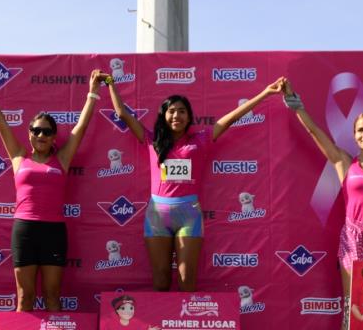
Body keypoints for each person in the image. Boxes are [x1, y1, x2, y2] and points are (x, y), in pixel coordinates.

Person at [106, 75, 285, 291]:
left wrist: (266, 93)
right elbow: (122, 114)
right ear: (163, 115)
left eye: (182, 111)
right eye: (171, 111)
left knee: (186, 280)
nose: (176, 115)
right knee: (161, 280)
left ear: (189, 116)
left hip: (189, 215)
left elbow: (231, 118)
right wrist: (110, 84)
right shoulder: (151, 140)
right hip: (156, 216)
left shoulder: (202, 139)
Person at [281, 80, 363, 330]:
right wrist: (296, 105)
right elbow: (314, 133)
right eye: (361, 130)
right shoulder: (345, 163)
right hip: (353, 237)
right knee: (353, 304)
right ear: (354, 135)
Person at [0, 67, 107, 311]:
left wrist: (92, 94)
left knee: (52, 296)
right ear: (29, 134)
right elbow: (0, 123)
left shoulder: (63, 158)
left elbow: (81, 127)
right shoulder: (18, 156)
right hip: (24, 230)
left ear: (54, 136)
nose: (41, 134)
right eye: (36, 130)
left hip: (53, 232)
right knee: (25, 298)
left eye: (46, 131)